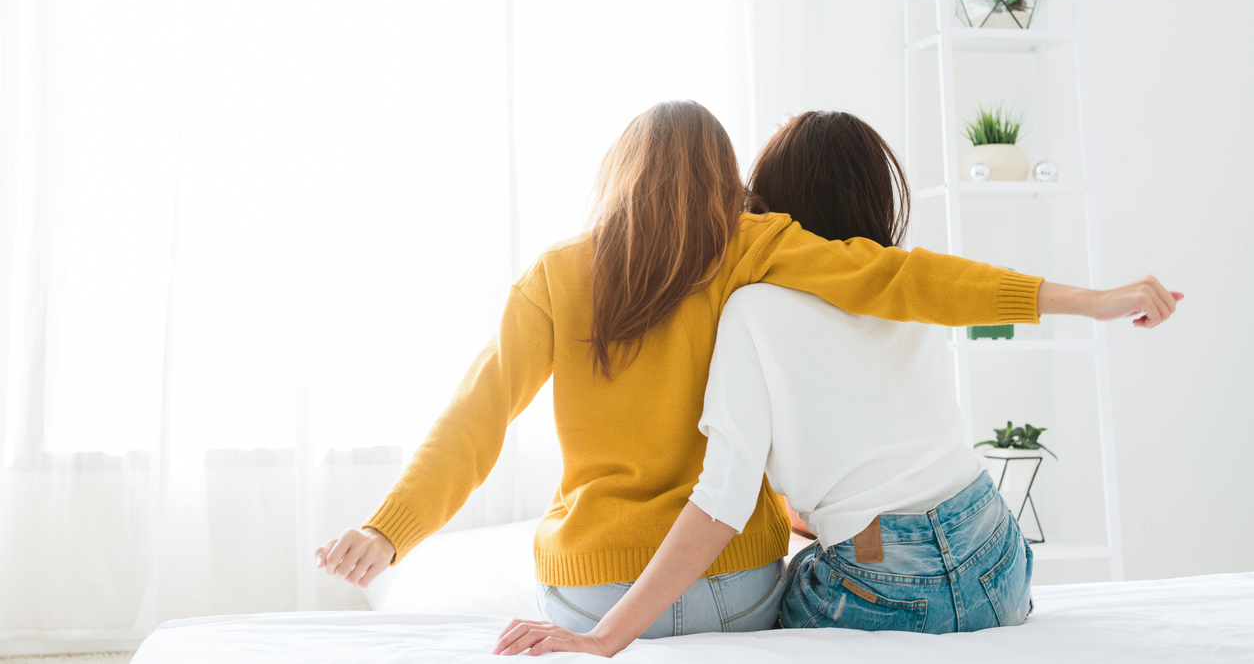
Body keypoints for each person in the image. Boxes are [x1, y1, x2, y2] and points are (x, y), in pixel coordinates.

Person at [314, 101, 1176, 643]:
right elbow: (902, 277)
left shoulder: (555, 274)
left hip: (593, 591)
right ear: (728, 183)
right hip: (741, 590)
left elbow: (480, 414)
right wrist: (1093, 299)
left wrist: (390, 530)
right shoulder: (750, 249)